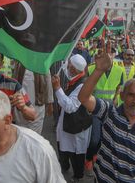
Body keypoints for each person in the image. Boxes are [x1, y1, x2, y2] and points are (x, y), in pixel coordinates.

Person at [78, 49, 135, 183]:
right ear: (122, 96)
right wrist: (98, 70)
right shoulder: (109, 113)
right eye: (131, 95)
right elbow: (83, 98)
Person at [52, 54, 91, 182]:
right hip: (67, 124)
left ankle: (78, 176)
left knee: (76, 154)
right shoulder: (75, 78)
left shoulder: (82, 84)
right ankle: (64, 167)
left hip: (77, 127)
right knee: (63, 149)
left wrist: (57, 88)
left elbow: (71, 106)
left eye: (69, 66)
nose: (67, 67)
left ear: (73, 69)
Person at [13, 63, 54, 134]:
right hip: (20, 107)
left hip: (38, 106)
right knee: (20, 134)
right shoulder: (19, 62)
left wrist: (50, 103)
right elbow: (13, 80)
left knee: (34, 137)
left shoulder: (42, 62)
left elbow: (48, 81)